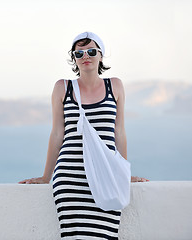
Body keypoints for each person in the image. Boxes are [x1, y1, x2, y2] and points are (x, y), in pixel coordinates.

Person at [19, 31, 149, 239]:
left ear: (100, 55)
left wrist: (122, 172)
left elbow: (120, 132)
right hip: (70, 178)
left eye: (90, 51)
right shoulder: (63, 88)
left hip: (106, 176)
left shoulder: (115, 86)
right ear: (74, 59)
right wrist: (46, 177)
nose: (85, 56)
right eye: (79, 54)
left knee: (105, 234)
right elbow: (57, 133)